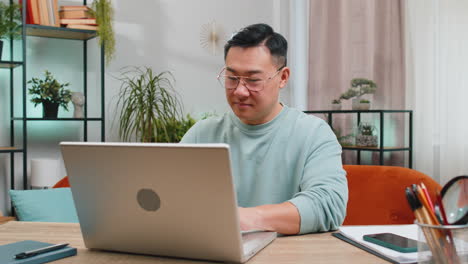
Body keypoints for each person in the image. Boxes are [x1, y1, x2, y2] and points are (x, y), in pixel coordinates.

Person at [181, 23, 348, 235]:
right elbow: (171, 198)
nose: (240, 91)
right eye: (232, 78)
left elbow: (328, 205)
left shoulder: (313, 134)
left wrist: (245, 219)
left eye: (253, 80)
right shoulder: (201, 135)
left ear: (283, 78)